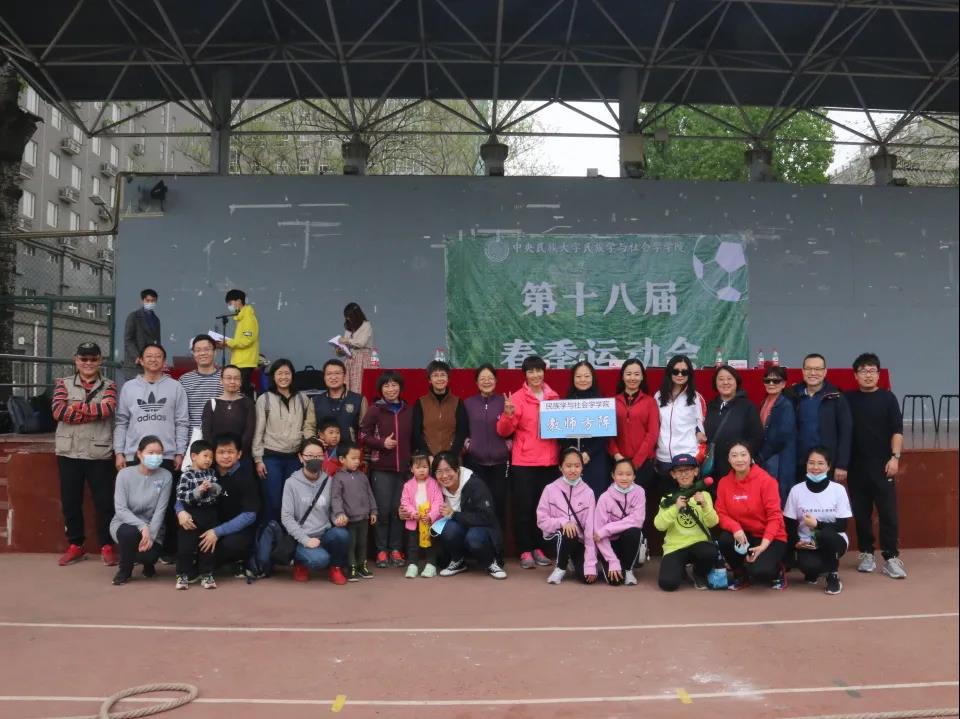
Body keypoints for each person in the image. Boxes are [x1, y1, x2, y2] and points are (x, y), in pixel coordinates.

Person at [113, 341, 188, 561]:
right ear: (140, 360)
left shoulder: (175, 387)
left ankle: (166, 550)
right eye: (149, 356)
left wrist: (180, 452)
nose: (153, 359)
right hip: (134, 455)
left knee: (167, 505)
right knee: (134, 504)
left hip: (166, 456)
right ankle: (135, 547)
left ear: (164, 361)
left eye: (158, 356)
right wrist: (119, 451)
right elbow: (121, 421)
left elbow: (182, 422)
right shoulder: (129, 387)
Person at [53, 341, 119, 567]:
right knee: (71, 501)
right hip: (68, 452)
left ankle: (107, 545)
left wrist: (75, 408)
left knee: (104, 503)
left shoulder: (110, 385)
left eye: (93, 359)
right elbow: (58, 411)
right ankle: (76, 545)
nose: (88, 363)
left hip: (99, 452)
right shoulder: (62, 384)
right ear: (76, 360)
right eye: (84, 359)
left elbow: (107, 409)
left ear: (100, 361)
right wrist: (92, 412)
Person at [844, 352, 906, 579]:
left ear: (879, 375)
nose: (868, 375)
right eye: (863, 371)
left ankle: (891, 557)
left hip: (883, 465)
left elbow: (897, 430)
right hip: (856, 466)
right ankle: (866, 553)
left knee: (888, 512)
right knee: (861, 513)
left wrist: (895, 457)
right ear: (855, 375)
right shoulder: (848, 399)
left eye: (872, 371)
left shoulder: (888, 399)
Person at [496, 355, 559, 569]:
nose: (535, 375)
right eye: (530, 371)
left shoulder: (554, 397)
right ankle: (525, 550)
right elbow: (503, 431)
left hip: (549, 462)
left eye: (538, 370)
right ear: (525, 375)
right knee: (524, 509)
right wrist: (507, 415)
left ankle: (539, 548)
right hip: (524, 463)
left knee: (543, 509)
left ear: (544, 372)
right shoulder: (517, 398)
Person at [715, 441, 788, 590]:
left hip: (769, 537)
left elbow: (775, 517)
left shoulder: (766, 481)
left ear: (750, 457)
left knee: (761, 572)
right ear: (729, 459)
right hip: (744, 535)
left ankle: (777, 570)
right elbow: (721, 513)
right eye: (734, 455)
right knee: (725, 539)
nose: (739, 459)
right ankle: (740, 574)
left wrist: (763, 546)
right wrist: (735, 528)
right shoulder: (724, 483)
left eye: (743, 455)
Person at [359, 370, 414, 568]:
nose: (391, 389)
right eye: (386, 385)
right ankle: (381, 550)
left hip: (404, 469)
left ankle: (396, 549)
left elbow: (415, 438)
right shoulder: (375, 410)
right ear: (381, 389)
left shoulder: (408, 410)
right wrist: (382, 443)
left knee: (399, 511)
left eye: (394, 385)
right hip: (381, 468)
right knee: (382, 510)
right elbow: (362, 436)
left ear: (400, 387)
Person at [252, 358, 317, 523]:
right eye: (279, 373)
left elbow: (308, 427)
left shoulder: (303, 399)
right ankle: (270, 533)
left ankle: (288, 535)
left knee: (292, 502)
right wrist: (258, 459)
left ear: (292, 376)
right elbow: (258, 430)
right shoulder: (265, 399)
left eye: (287, 373)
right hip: (271, 457)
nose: (283, 377)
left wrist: (309, 451)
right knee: (273, 501)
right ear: (273, 376)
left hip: (294, 458)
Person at [186, 433, 260, 575]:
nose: (226, 456)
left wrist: (218, 532)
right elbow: (182, 494)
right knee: (186, 530)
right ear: (214, 454)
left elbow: (250, 515)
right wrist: (180, 512)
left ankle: (226, 562)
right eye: (221, 452)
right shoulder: (205, 471)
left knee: (232, 545)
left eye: (230, 452)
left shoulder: (247, 477)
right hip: (209, 524)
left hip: (235, 530)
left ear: (239, 454)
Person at [784, 447, 853, 595]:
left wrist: (817, 525)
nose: (815, 467)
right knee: (810, 567)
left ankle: (833, 576)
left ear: (828, 466)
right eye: (811, 463)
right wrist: (796, 542)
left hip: (835, 540)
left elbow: (842, 526)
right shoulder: (796, 490)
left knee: (825, 535)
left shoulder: (838, 490)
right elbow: (789, 523)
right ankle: (816, 570)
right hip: (807, 542)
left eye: (820, 463)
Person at [281, 437, 349, 584]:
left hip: (324, 534)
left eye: (318, 456)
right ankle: (300, 563)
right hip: (302, 537)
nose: (314, 459)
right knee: (320, 560)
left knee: (341, 534)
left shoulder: (329, 481)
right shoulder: (291, 483)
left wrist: (338, 518)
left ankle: (335, 568)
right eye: (310, 455)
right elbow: (286, 517)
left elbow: (332, 509)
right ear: (301, 457)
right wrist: (305, 540)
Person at [432, 452, 507, 580]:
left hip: (481, 528)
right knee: (448, 529)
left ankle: (490, 562)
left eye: (448, 470)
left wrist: (454, 514)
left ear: (457, 469)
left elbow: (486, 517)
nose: (444, 476)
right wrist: (404, 511)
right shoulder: (435, 486)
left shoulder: (474, 484)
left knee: (474, 537)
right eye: (439, 471)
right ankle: (458, 561)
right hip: (459, 528)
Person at [109, 435, 172, 585]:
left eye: (159, 453)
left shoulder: (166, 476)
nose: (155, 456)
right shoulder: (124, 475)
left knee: (148, 556)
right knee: (128, 533)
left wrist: (150, 534)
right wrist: (142, 526)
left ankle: (148, 565)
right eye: (151, 453)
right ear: (139, 453)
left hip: (153, 526)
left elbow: (160, 511)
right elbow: (121, 509)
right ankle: (125, 570)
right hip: (125, 523)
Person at [654, 454, 719, 591]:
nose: (684, 474)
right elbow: (659, 526)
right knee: (668, 584)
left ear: (695, 471)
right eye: (679, 471)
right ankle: (680, 569)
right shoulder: (668, 499)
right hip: (675, 546)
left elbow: (712, 523)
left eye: (688, 470)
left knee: (709, 552)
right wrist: (675, 508)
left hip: (699, 543)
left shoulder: (704, 495)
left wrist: (704, 505)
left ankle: (699, 574)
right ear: (673, 474)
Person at [536, 447, 598, 585]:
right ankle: (560, 568)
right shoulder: (550, 489)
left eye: (577, 466)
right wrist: (563, 522)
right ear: (560, 467)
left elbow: (589, 529)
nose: (573, 470)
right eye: (568, 466)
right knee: (569, 532)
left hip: (578, 540)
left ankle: (571, 558)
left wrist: (590, 565)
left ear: (582, 467)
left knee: (586, 578)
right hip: (553, 537)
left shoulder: (588, 492)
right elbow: (541, 520)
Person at [788, 353, 852, 484]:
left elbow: (846, 432)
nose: (813, 373)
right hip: (799, 464)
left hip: (827, 464)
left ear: (825, 372)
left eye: (817, 369)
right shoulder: (792, 395)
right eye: (809, 369)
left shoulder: (836, 397)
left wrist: (842, 464)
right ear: (803, 371)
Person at [462, 364, 511, 532]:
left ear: (496, 380)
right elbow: (462, 429)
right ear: (476, 382)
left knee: (499, 505)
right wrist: (469, 445)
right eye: (482, 378)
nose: (486, 381)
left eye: (490, 378)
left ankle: (498, 545)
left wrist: (507, 446)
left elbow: (513, 430)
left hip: (500, 463)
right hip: (475, 462)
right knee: (478, 504)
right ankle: (478, 543)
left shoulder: (504, 402)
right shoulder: (468, 403)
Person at [174, 440, 221, 590]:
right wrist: (198, 491)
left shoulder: (212, 473)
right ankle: (182, 574)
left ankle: (206, 574)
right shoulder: (186, 475)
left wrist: (212, 487)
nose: (209, 460)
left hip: (209, 513)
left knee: (207, 546)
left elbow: (219, 492)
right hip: (191, 514)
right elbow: (181, 496)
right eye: (205, 456)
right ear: (194, 456)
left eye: (211, 457)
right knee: (186, 547)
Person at [608, 358, 659, 496]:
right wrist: (616, 455)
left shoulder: (650, 402)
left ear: (642, 377)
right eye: (628, 374)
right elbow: (607, 433)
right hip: (617, 461)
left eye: (637, 374)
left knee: (642, 501)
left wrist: (635, 463)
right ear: (622, 376)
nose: (632, 378)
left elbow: (652, 434)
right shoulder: (612, 402)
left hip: (643, 464)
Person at [704, 365, 763, 482]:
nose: (725, 382)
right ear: (715, 383)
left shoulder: (747, 407)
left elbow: (756, 437)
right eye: (721, 379)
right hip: (713, 468)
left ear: (736, 381)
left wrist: (740, 458)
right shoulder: (710, 406)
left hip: (737, 468)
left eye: (729, 378)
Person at [564, 361, 613, 499]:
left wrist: (589, 453)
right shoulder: (564, 402)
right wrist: (571, 449)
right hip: (571, 458)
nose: (583, 380)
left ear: (593, 378)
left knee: (596, 496)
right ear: (573, 379)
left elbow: (605, 435)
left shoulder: (602, 402)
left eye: (587, 376)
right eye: (578, 376)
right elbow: (559, 433)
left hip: (596, 458)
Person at [593, 458, 646, 586]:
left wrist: (607, 529)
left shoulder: (639, 492)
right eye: (620, 474)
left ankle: (628, 569)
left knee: (634, 532)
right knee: (615, 581)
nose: (624, 478)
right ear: (613, 475)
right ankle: (611, 561)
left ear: (634, 476)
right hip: (609, 543)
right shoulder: (604, 498)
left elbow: (638, 520)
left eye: (628, 474)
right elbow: (598, 534)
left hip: (626, 540)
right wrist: (612, 561)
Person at [331, 441, 377, 581]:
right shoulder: (338, 477)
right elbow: (336, 498)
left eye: (359, 458)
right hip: (349, 519)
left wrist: (373, 510)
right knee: (351, 544)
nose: (357, 461)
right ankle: (351, 567)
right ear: (342, 459)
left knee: (362, 543)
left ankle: (362, 565)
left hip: (363, 518)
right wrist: (339, 513)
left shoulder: (362, 476)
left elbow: (370, 494)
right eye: (353, 458)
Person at [654, 354, 707, 475]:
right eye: (675, 371)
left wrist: (699, 433)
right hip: (663, 456)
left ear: (689, 374)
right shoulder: (658, 396)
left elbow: (700, 423)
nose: (680, 375)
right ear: (669, 372)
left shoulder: (695, 397)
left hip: (687, 456)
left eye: (684, 372)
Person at [398, 452, 443, 578]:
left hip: (429, 520)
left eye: (424, 467)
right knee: (412, 544)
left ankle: (431, 565)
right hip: (414, 521)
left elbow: (438, 501)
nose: (422, 470)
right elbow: (404, 502)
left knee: (431, 543)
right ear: (412, 469)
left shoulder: (434, 483)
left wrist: (431, 515)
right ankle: (412, 565)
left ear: (429, 468)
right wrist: (413, 513)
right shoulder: (408, 485)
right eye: (418, 467)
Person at [757, 365, 797, 505]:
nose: (771, 384)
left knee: (778, 498)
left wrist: (762, 455)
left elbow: (782, 436)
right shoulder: (764, 401)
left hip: (779, 459)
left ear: (784, 384)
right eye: (767, 380)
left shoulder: (786, 405)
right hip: (766, 457)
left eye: (776, 381)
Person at [412, 359, 468, 458]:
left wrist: (451, 456)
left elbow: (461, 432)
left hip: (452, 458)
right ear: (429, 380)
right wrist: (428, 455)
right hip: (428, 459)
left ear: (448, 378)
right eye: (435, 375)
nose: (439, 379)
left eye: (442, 375)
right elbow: (416, 433)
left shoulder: (458, 402)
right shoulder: (421, 402)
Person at [200, 364, 256, 461]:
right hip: (217, 458)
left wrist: (236, 453)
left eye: (236, 378)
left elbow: (249, 433)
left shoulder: (248, 403)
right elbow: (207, 434)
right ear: (221, 381)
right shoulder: (211, 404)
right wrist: (219, 453)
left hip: (241, 457)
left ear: (241, 382)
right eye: (228, 378)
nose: (232, 381)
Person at [311, 359, 368, 442]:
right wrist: (315, 442)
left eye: (337, 373)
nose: (333, 377)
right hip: (323, 449)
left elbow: (365, 429)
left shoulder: (359, 400)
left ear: (344, 377)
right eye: (329, 374)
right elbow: (310, 427)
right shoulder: (315, 401)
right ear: (324, 377)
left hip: (350, 448)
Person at [178, 334, 222, 442]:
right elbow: (180, 416)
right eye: (198, 350)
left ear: (215, 352)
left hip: (221, 439)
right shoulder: (184, 380)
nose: (202, 353)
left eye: (206, 349)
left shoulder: (226, 378)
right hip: (193, 441)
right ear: (193, 354)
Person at [221, 289, 260, 398]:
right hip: (241, 360)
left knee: (243, 392)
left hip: (245, 361)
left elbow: (247, 340)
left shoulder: (248, 318)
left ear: (238, 301)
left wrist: (228, 342)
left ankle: (248, 407)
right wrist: (228, 343)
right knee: (240, 390)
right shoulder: (242, 319)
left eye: (230, 303)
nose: (229, 306)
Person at [122, 289, 161, 379]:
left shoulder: (156, 319)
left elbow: (157, 342)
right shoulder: (133, 316)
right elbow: (128, 340)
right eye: (148, 300)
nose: (150, 303)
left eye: (153, 301)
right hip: (135, 365)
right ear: (142, 301)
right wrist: (137, 356)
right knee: (134, 387)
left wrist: (158, 357)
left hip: (150, 365)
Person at [338, 302, 373, 394]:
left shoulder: (366, 325)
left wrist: (346, 340)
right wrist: (340, 348)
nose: (347, 319)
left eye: (349, 316)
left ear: (356, 315)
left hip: (362, 359)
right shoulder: (349, 328)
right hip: (350, 360)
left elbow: (361, 343)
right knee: (348, 387)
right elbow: (346, 345)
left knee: (360, 387)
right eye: (346, 316)